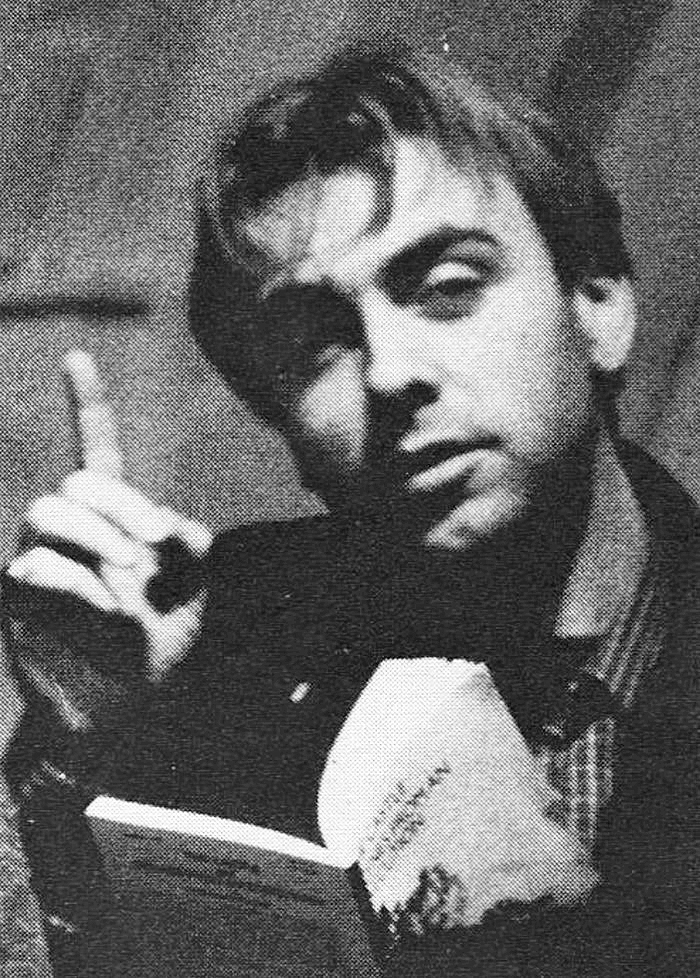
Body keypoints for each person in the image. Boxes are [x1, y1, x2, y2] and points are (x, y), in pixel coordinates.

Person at [3, 44, 698, 977]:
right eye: (314, 342)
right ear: (279, 424)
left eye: (449, 289)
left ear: (599, 309)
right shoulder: (211, 637)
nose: (390, 372)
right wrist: (94, 734)